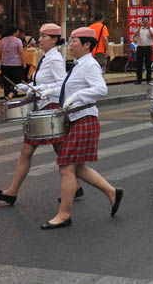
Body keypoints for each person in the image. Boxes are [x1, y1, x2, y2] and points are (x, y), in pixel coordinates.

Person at [36, 27, 123, 229]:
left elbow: (101, 89)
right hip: (76, 120)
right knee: (79, 169)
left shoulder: (90, 65)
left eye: (74, 41)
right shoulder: (77, 65)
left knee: (66, 167)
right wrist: (46, 90)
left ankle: (63, 215)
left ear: (87, 45)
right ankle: (112, 192)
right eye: (70, 41)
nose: (70, 45)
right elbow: (67, 87)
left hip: (85, 119)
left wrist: (77, 97)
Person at [0, 24, 81, 206]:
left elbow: (62, 84)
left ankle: (13, 191)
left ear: (54, 39)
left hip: (50, 107)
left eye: (44, 36)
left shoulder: (54, 58)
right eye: (40, 35)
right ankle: (75, 187)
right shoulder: (47, 56)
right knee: (55, 150)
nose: (39, 39)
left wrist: (40, 89)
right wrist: (28, 87)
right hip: (43, 106)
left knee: (33, 150)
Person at [0, 25, 25, 98]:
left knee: (6, 83)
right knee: (18, 82)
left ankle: (7, 95)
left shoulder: (2, 40)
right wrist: (23, 62)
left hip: (5, 65)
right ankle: (12, 94)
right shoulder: (18, 40)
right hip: (16, 65)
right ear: (15, 32)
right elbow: (21, 52)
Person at [132, 16, 153, 84]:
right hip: (140, 48)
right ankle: (139, 80)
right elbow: (135, 35)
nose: (145, 22)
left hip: (148, 48)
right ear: (141, 22)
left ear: (148, 22)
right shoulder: (139, 29)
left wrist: (148, 29)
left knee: (148, 65)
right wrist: (139, 27)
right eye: (144, 21)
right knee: (139, 65)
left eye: (146, 21)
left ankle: (148, 80)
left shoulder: (151, 29)